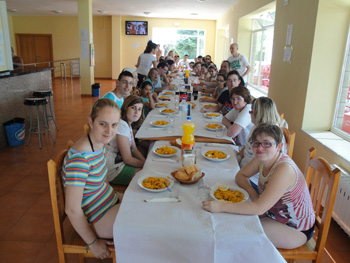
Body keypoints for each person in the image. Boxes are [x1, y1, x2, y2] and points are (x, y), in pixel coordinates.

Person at [203, 124, 316, 249]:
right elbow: (240, 175)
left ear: (279, 146)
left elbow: (259, 208)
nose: (260, 147)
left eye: (267, 143)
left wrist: (220, 206)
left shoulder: (284, 169)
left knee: (238, 233)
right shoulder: (263, 158)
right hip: (272, 213)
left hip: (295, 228)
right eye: (256, 143)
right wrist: (253, 193)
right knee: (231, 221)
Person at [62, 99, 122, 259]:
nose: (110, 130)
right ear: (91, 122)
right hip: (97, 220)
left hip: (108, 204)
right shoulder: (80, 159)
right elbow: (72, 209)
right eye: (103, 124)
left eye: (114, 125)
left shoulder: (99, 144)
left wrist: (120, 197)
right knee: (146, 223)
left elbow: (102, 181)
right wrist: (93, 242)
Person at [237, 97, 288, 190]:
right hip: (243, 171)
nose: (250, 113)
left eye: (252, 111)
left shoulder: (271, 136)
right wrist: (237, 158)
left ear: (260, 114)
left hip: (255, 180)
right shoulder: (256, 128)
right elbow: (247, 146)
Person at [106, 95, 146, 186]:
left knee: (146, 170)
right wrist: (146, 165)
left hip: (119, 164)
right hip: (111, 169)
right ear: (125, 108)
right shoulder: (122, 125)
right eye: (133, 108)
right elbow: (127, 159)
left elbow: (134, 150)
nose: (137, 112)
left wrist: (146, 162)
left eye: (140, 109)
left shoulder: (128, 124)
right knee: (144, 175)